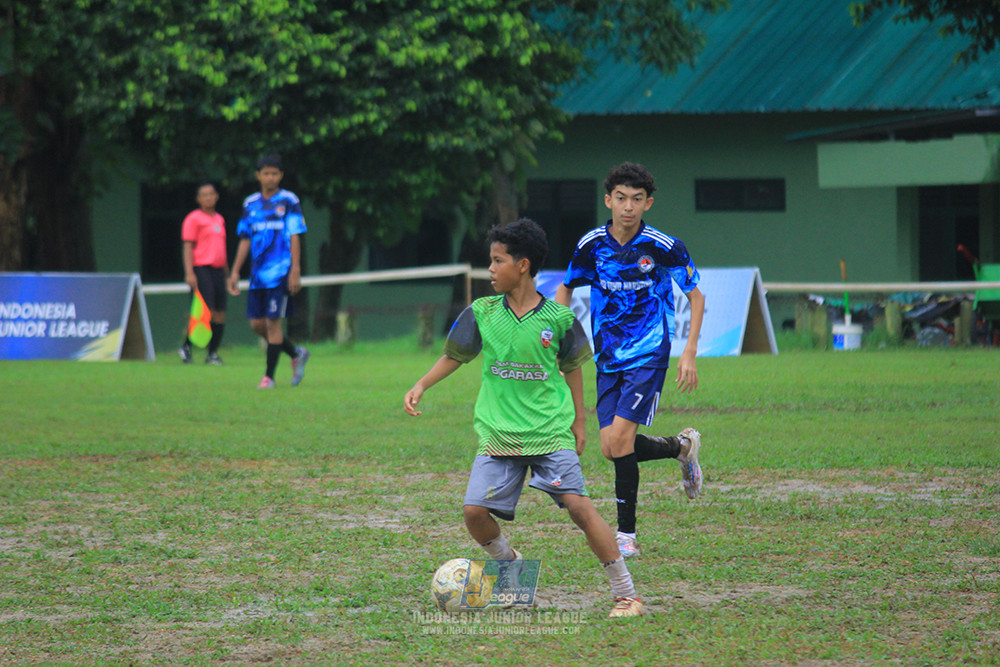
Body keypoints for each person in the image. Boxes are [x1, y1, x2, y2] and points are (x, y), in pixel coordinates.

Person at [404, 218, 645, 618]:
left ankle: (626, 594)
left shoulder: (559, 319)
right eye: (490, 260)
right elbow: (454, 356)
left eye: (498, 261)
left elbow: (573, 369)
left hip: (549, 432)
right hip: (498, 435)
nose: (491, 269)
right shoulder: (481, 312)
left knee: (580, 507)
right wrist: (422, 384)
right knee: (473, 514)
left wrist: (580, 423)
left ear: (523, 265)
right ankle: (511, 567)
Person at [556, 162, 706, 559]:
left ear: (648, 204)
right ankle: (681, 447)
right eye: (620, 198)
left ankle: (626, 536)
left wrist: (688, 352)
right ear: (608, 200)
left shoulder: (663, 246)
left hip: (648, 351)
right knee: (611, 448)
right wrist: (557, 334)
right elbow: (565, 287)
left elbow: (695, 295)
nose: (628, 207)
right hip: (608, 357)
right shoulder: (592, 245)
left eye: (636, 200)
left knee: (619, 440)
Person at [227, 154, 310, 389]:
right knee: (257, 325)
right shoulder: (250, 203)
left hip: (281, 273)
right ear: (258, 175)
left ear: (281, 175)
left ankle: (268, 377)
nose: (270, 177)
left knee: (273, 324)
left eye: (275, 173)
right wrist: (234, 272)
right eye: (266, 173)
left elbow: (295, 236)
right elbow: (245, 239)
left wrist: (295, 269)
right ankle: (296, 353)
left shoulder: (289, 200)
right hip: (257, 275)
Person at [178, 182, 229, 365]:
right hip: (201, 268)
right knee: (204, 311)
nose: (208, 197)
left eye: (211, 194)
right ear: (198, 199)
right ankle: (186, 346)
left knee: (220, 312)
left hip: (218, 270)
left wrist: (228, 273)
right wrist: (189, 272)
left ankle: (212, 353)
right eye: (204, 195)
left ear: (216, 196)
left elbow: (221, 248)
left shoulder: (219, 219)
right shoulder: (193, 219)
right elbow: (188, 246)